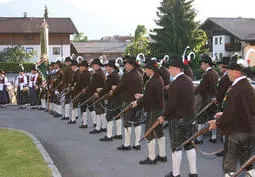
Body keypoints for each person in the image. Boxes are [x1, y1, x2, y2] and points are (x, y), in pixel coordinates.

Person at [208, 57, 255, 177]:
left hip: (235, 132)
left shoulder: (236, 89)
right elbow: (243, 110)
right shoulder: (249, 87)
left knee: (229, 168)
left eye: (229, 70)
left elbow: (230, 115)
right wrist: (223, 115)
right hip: (249, 130)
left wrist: (217, 122)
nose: (227, 72)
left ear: (237, 72)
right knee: (248, 166)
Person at [158, 56, 198, 177]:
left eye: (170, 68)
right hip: (190, 118)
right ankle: (193, 173)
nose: (169, 70)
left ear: (176, 69)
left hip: (177, 119)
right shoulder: (189, 80)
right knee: (189, 145)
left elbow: (171, 105)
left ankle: (176, 174)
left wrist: (163, 116)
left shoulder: (175, 83)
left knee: (176, 147)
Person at [132, 58, 167, 165]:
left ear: (151, 70)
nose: (145, 70)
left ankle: (151, 158)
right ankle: (162, 155)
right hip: (159, 108)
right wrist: (142, 96)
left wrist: (137, 102)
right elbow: (150, 95)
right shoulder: (158, 78)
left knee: (149, 132)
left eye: (146, 68)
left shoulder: (152, 81)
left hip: (153, 110)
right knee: (159, 132)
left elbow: (148, 98)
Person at [112, 55, 144, 151]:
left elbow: (121, 86)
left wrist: (114, 90)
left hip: (128, 102)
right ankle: (137, 143)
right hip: (138, 102)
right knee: (137, 123)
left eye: (126, 64)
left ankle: (127, 144)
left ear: (130, 65)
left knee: (127, 123)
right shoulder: (139, 73)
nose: (124, 66)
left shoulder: (128, 75)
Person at [194, 55, 218, 144]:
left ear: (207, 64)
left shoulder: (207, 74)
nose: (201, 66)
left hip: (206, 99)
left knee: (201, 118)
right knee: (213, 117)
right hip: (213, 99)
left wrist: (194, 91)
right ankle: (214, 137)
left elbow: (201, 88)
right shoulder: (215, 73)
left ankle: (199, 138)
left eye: (202, 64)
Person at [98, 60, 122, 141]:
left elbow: (106, 88)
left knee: (109, 116)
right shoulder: (116, 74)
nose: (105, 68)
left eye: (107, 66)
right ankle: (119, 134)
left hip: (113, 98)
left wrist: (99, 93)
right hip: (118, 98)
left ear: (111, 67)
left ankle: (109, 135)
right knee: (118, 116)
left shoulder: (112, 76)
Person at [215, 57, 232, 157]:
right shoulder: (225, 76)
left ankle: (226, 149)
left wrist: (218, 100)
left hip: (224, 103)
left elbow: (221, 91)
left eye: (221, 65)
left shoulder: (226, 77)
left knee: (225, 128)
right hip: (224, 103)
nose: (220, 66)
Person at [86, 58, 106, 133]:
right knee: (102, 111)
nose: (93, 67)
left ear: (97, 65)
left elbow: (92, 85)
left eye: (93, 65)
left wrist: (87, 90)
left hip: (97, 93)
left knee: (98, 111)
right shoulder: (101, 72)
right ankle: (103, 126)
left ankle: (98, 127)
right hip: (101, 93)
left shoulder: (97, 74)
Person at [77, 60, 91, 128]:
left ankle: (84, 123)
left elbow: (79, 84)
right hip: (89, 93)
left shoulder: (82, 74)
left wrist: (75, 88)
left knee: (83, 108)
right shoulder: (90, 73)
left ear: (84, 67)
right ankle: (94, 122)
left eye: (80, 66)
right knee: (91, 108)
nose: (79, 68)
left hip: (83, 93)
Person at [67, 60, 80, 124]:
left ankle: (73, 119)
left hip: (77, 90)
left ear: (75, 66)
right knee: (74, 104)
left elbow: (77, 81)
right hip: (74, 90)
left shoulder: (77, 72)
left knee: (74, 104)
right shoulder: (75, 72)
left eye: (72, 66)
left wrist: (74, 86)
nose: (71, 67)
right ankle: (73, 118)